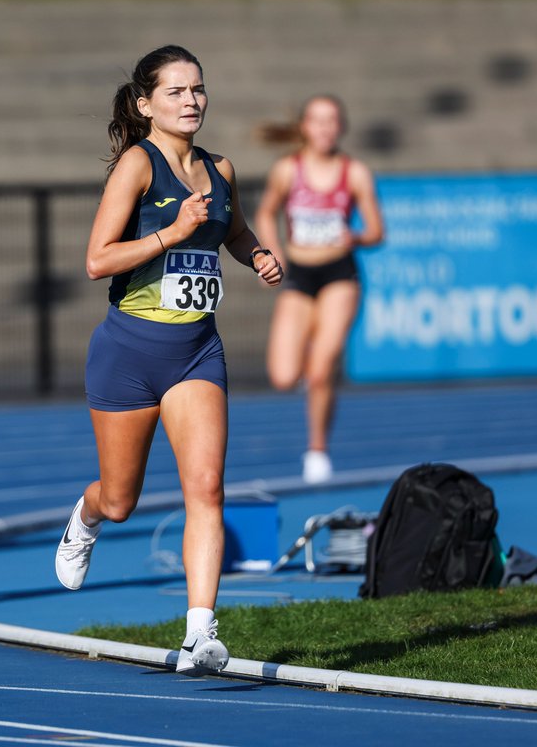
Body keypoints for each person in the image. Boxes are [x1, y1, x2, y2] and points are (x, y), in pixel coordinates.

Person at [53, 45, 283, 675]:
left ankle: (200, 634)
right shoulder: (138, 165)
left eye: (198, 90)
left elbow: (231, 231)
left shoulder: (223, 169)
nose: (191, 101)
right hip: (128, 353)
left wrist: (258, 253)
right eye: (177, 92)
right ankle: (87, 515)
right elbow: (98, 260)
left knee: (206, 487)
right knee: (121, 499)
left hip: (196, 353)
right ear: (145, 103)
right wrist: (170, 234)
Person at [252, 95, 384, 483]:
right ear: (304, 127)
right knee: (283, 375)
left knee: (323, 368)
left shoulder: (354, 172)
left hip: (339, 274)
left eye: (332, 121)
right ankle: (310, 362)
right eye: (317, 121)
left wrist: (354, 236)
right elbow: (265, 211)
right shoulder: (287, 171)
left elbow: (377, 231)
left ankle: (317, 449)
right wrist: (271, 252)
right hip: (299, 275)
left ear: (340, 127)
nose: (325, 128)